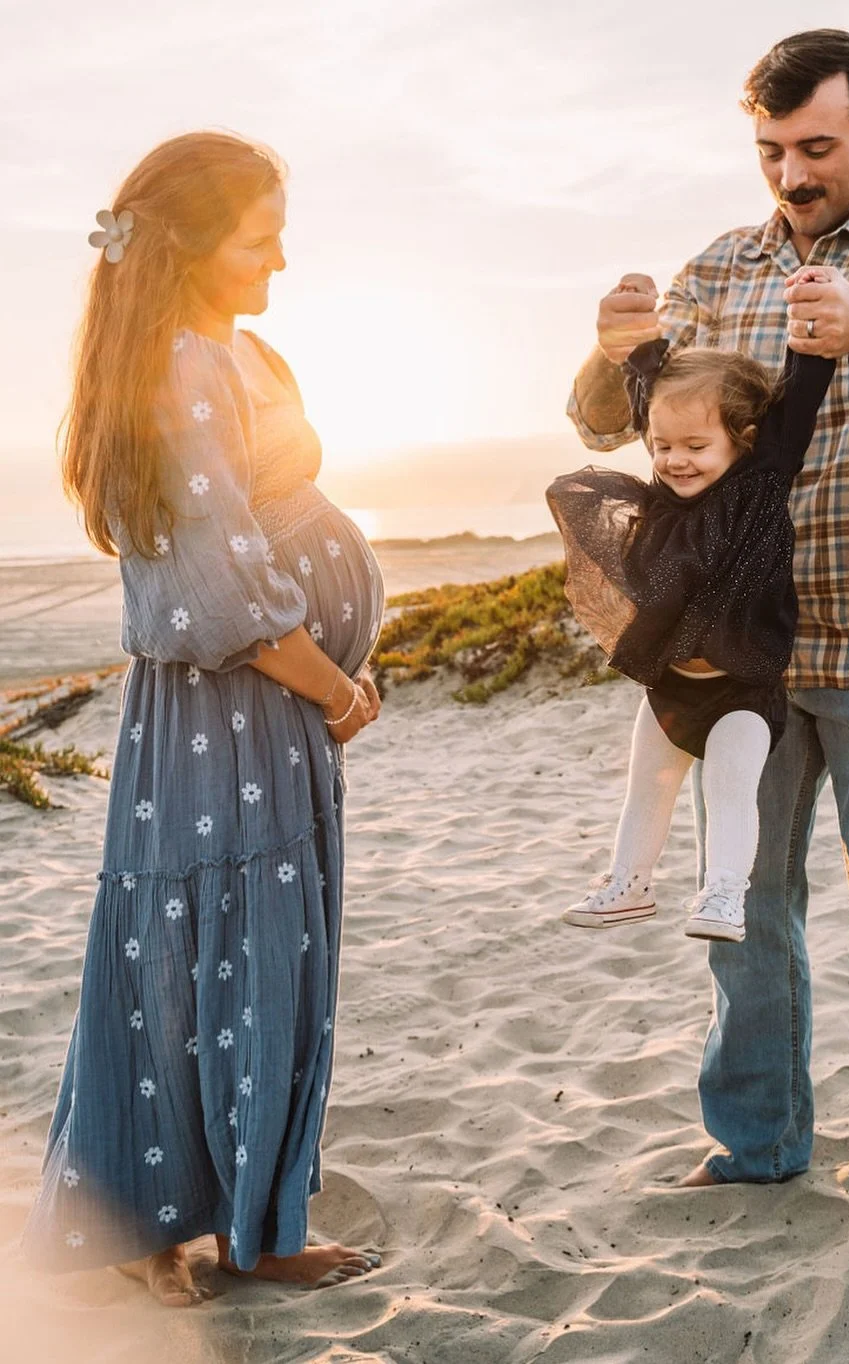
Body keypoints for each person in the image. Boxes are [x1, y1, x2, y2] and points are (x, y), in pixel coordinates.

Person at [567, 29, 849, 1304]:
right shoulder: (722, 263)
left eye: (816, 149)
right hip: (737, 667)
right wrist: (610, 348)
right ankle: (757, 1144)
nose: (791, 174)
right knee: (749, 914)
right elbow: (617, 419)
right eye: (770, 150)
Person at [22, 132, 387, 1306]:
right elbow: (216, 587)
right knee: (216, 955)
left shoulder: (237, 347)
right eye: (258, 236)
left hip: (262, 715)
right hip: (233, 712)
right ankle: (234, 1230)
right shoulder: (178, 366)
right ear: (187, 246)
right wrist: (333, 686)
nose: (280, 255)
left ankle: (221, 1212)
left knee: (223, 951)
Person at [548, 331, 834, 940]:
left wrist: (811, 340)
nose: (676, 459)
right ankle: (628, 884)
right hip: (670, 689)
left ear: (745, 439)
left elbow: (800, 397)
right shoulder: (663, 499)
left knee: (730, 790)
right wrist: (646, 346)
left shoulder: (760, 485)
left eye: (697, 446)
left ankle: (725, 894)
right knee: (645, 791)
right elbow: (650, 390)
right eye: (662, 446)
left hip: (740, 692)